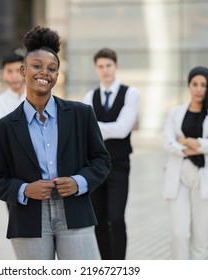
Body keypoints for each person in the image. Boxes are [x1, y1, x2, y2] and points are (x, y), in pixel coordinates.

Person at [0, 26, 111, 260]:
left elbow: (101, 160)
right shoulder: (3, 127)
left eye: (52, 69)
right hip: (28, 219)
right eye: (37, 66)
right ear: (23, 70)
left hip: (75, 212)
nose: (44, 72)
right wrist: (25, 189)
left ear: (57, 75)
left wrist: (78, 182)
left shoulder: (81, 114)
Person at [163, 66, 208, 259]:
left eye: (204, 85)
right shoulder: (175, 112)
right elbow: (167, 141)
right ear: (189, 85)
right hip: (179, 175)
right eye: (195, 84)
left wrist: (188, 141)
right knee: (179, 234)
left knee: (199, 239)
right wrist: (199, 144)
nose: (199, 89)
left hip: (205, 177)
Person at [83, 48, 140, 260]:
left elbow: (123, 129)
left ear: (116, 66)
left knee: (116, 218)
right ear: (96, 69)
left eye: (109, 65)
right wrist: (109, 128)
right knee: (98, 221)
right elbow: (85, 131)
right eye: (101, 66)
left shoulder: (131, 94)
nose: (105, 70)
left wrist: (96, 129)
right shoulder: (90, 96)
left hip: (119, 165)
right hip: (95, 167)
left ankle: (119, 265)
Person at [0, 52, 26, 124]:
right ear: (3, 73)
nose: (14, 76)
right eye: (9, 71)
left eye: (18, 70)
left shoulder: (37, 98)